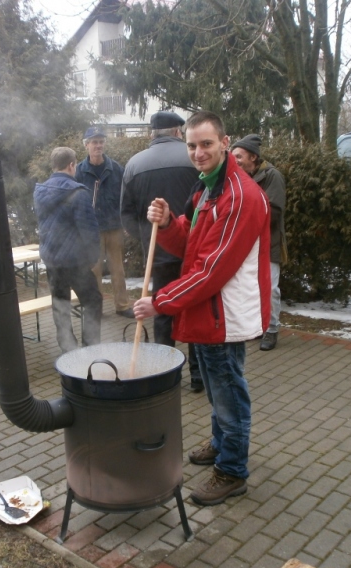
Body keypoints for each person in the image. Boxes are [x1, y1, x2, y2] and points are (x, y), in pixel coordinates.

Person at [133, 111, 271, 506]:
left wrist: (160, 302)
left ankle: (231, 470)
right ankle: (219, 443)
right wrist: (169, 225)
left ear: (225, 143)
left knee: (229, 391)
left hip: (224, 313)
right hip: (205, 310)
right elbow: (192, 247)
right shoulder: (207, 188)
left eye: (206, 144)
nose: (198, 152)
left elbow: (211, 271)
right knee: (214, 385)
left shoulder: (240, 197)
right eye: (192, 145)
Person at [121, 111, 203, 391]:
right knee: (193, 308)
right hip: (193, 250)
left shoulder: (133, 165)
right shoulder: (193, 158)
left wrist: (146, 238)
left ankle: (165, 375)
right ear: (178, 132)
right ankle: (199, 376)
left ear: (152, 134)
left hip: (156, 254)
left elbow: (127, 214)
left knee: (162, 309)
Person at [34, 147, 103, 353]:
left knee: (60, 305)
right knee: (92, 301)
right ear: (72, 165)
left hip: (52, 260)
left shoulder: (40, 191)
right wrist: (92, 258)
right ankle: (90, 350)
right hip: (76, 262)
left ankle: (68, 352)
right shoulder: (78, 192)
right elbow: (89, 230)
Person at [231, 134, 286, 351]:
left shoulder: (273, 177)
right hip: (247, 244)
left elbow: (274, 212)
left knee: (270, 288)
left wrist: (244, 218)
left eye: (239, 156)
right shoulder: (239, 177)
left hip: (269, 243)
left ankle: (271, 330)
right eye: (232, 156)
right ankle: (258, 327)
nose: (234, 160)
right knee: (251, 288)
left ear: (253, 157)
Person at [75, 126, 131, 317]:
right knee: (94, 269)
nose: (98, 146)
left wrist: (125, 221)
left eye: (101, 142)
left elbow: (125, 197)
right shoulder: (79, 171)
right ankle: (97, 308)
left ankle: (122, 306)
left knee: (118, 269)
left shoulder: (116, 168)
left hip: (114, 226)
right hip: (92, 229)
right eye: (94, 142)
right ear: (86, 145)